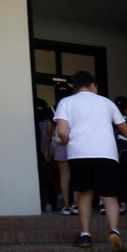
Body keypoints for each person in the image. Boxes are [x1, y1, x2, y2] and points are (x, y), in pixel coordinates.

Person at [53, 71, 127, 252]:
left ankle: (85, 235)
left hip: (79, 154)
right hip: (106, 155)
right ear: (93, 85)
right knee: (109, 196)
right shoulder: (106, 103)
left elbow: (61, 132)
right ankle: (114, 231)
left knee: (84, 194)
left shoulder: (66, 103)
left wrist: (70, 142)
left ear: (75, 88)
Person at [43, 82, 75, 215]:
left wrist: (46, 149)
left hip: (60, 144)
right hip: (76, 143)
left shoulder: (52, 109)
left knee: (64, 176)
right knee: (77, 174)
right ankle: (77, 205)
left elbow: (49, 132)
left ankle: (66, 206)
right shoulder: (74, 107)